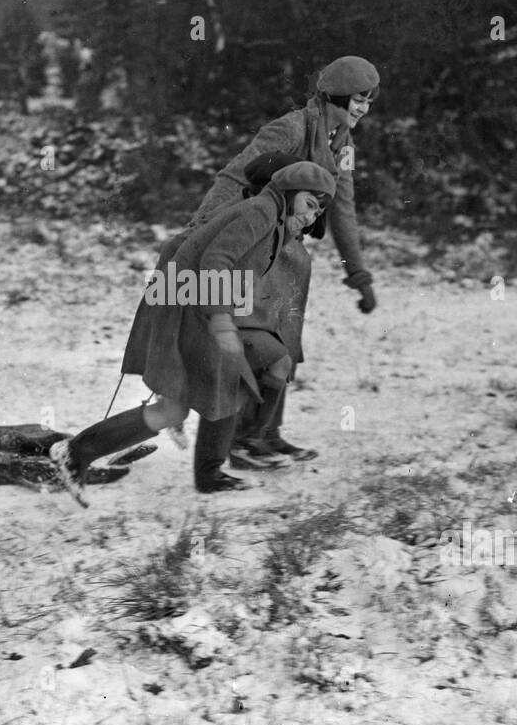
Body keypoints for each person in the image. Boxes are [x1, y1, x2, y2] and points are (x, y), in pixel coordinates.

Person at [50, 162, 337, 504]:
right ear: (291, 192)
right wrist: (221, 321)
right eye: (309, 204)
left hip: (200, 300)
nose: (311, 216)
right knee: (205, 391)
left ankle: (211, 467)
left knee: (209, 392)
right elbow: (215, 261)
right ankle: (80, 453)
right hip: (188, 301)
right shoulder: (260, 211)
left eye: (318, 210)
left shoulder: (275, 219)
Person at [187, 55, 381, 469]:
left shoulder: (343, 144)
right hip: (251, 243)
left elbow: (342, 207)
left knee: (285, 338)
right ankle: (239, 440)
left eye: (369, 101)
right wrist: (202, 230)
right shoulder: (290, 128)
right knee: (257, 339)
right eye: (359, 100)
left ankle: (265, 434)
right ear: (338, 97)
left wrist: (358, 274)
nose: (364, 109)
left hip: (287, 252)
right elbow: (235, 176)